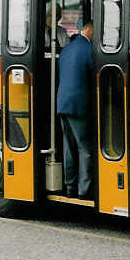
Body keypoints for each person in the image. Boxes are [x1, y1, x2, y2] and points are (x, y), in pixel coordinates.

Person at [56, 20, 95, 199]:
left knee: (68, 147)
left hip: (62, 104)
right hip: (79, 105)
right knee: (84, 148)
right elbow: (94, 75)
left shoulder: (66, 49)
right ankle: (84, 190)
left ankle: (70, 187)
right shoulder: (89, 50)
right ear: (88, 29)